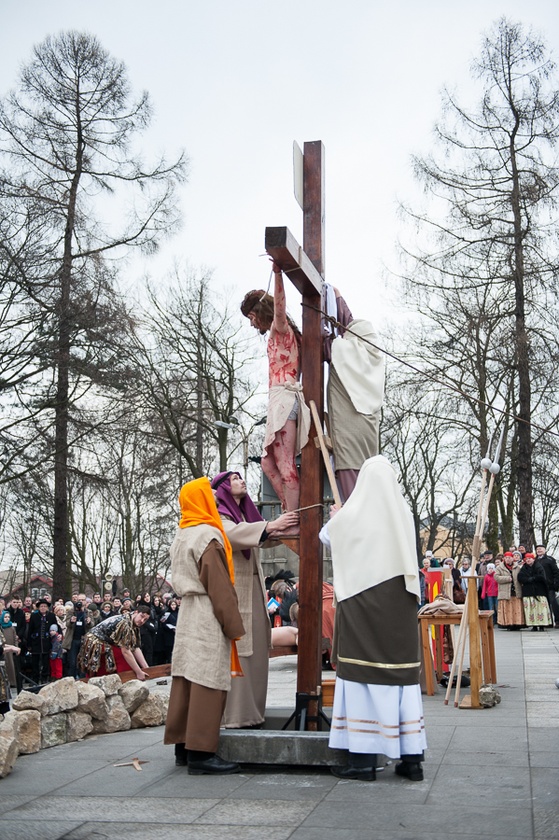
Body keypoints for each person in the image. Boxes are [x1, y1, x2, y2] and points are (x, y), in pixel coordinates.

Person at [319, 455, 427, 782]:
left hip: (362, 608)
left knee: (361, 680)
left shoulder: (354, 513)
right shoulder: (404, 513)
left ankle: (363, 761)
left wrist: (338, 515)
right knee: (402, 683)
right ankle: (412, 760)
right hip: (400, 607)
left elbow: (326, 537)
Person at [163, 477, 245, 775]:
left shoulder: (182, 533)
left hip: (188, 612)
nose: (214, 496)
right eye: (209, 493)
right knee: (208, 678)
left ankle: (182, 748)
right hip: (207, 611)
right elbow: (219, 587)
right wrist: (234, 626)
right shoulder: (208, 535)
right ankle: (201, 753)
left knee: (186, 677)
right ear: (200, 499)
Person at [210, 470, 298, 728]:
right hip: (234, 596)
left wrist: (286, 525)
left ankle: (252, 714)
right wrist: (272, 526)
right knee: (240, 654)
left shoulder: (244, 519)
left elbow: (262, 536)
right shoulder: (219, 516)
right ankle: (235, 717)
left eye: (242, 477)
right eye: (234, 478)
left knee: (257, 654)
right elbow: (232, 534)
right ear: (223, 488)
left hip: (253, 595)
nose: (241, 480)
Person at [241, 263, 310, 513]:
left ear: (261, 311)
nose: (251, 324)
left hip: (284, 399)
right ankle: (290, 509)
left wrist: (278, 274)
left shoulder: (280, 329)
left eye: (251, 318)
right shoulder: (279, 333)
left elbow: (280, 308)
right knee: (268, 464)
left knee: (285, 465)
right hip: (277, 401)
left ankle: (293, 518)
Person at [322, 285, 385, 501]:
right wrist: (338, 297)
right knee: (366, 493)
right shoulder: (370, 359)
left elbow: (325, 345)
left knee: (352, 500)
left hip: (349, 440)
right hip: (368, 442)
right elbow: (349, 322)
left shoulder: (345, 351)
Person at [78, 606, 151, 679]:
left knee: (106, 667)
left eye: (145, 620)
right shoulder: (125, 623)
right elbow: (126, 651)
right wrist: (138, 672)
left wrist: (147, 669)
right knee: (122, 658)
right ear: (136, 612)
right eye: (141, 616)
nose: (142, 621)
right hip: (96, 642)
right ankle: (126, 679)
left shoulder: (133, 624)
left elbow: (135, 647)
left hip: (105, 642)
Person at [518, 553, 552, 631]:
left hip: (539, 591)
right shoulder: (523, 568)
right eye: (526, 559)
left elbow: (542, 577)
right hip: (528, 592)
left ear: (533, 559)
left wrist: (532, 579)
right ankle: (534, 625)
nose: (528, 560)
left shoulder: (539, 567)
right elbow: (520, 577)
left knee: (541, 608)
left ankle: (542, 625)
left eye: (529, 558)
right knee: (531, 610)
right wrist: (528, 579)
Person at [27, 599, 56, 684]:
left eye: (45, 606)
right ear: (38, 607)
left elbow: (55, 626)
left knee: (45, 661)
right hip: (36, 642)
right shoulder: (34, 616)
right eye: (41, 606)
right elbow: (30, 630)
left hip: (47, 642)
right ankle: (35, 679)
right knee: (35, 662)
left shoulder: (51, 616)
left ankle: (44, 678)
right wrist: (29, 644)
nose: (43, 608)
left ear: (47, 608)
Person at [495, 551, 525, 629]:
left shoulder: (517, 567)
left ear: (512, 559)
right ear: (504, 559)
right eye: (506, 558)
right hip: (505, 591)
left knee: (516, 608)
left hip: (516, 591)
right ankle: (508, 624)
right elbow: (496, 578)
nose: (508, 559)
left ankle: (517, 623)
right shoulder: (499, 568)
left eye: (509, 558)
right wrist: (507, 579)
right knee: (507, 609)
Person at [534, 545, 559, 627]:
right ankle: (548, 621)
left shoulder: (550, 560)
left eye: (540, 549)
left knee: (553, 602)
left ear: (545, 550)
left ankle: (557, 620)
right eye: (537, 549)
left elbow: (556, 572)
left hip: (550, 585)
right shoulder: (535, 560)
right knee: (544, 604)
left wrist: (556, 584)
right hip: (540, 586)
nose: (539, 550)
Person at [0, 629, 21, 715]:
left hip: (1, 665)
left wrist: (11, 647)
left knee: (4, 694)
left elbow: (2, 645)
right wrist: (11, 648)